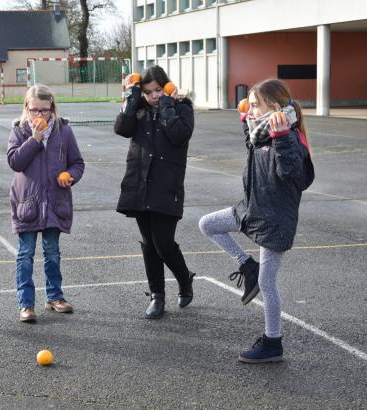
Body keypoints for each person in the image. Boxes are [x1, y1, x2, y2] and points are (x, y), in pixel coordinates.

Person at [198, 79, 314, 362]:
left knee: (268, 283)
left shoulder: (289, 138)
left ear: (272, 108)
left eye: (253, 106)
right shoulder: (260, 134)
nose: (248, 110)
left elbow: (290, 174)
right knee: (207, 224)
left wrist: (283, 136)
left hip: (274, 221)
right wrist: (246, 123)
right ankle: (247, 265)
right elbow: (253, 145)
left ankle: (273, 343)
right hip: (251, 210)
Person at [114, 65, 195, 319]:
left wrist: (167, 105)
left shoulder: (181, 108)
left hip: (166, 185)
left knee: (163, 244)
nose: (154, 96)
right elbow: (122, 129)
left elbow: (179, 134)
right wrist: (131, 96)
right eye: (148, 92)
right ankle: (157, 296)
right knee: (148, 243)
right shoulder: (137, 109)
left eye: (158, 90)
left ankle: (184, 279)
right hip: (139, 184)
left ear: (167, 86)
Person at [7, 84, 85, 323]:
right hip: (27, 202)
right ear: (26, 108)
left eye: (44, 110)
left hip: (54, 201)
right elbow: (15, 162)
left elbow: (77, 163)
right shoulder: (19, 131)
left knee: (52, 252)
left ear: (52, 107)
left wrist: (70, 176)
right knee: (25, 253)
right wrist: (34, 139)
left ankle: (55, 297)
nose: (39, 115)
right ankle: (26, 304)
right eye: (34, 110)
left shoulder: (64, 132)